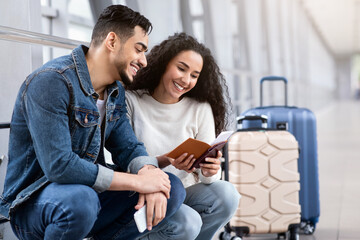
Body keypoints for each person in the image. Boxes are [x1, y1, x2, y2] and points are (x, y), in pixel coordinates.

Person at [0, 5, 186, 240]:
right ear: (112, 41)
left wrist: (151, 176)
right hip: (35, 204)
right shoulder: (51, 81)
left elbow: (128, 147)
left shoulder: (114, 91)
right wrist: (139, 182)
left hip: (85, 196)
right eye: (139, 50)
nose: (144, 61)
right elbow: (60, 166)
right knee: (81, 201)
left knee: (171, 187)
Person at [126, 32, 240, 240]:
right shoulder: (132, 101)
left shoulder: (200, 108)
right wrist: (165, 161)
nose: (186, 80)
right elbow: (124, 158)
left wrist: (210, 170)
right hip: (142, 195)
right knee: (188, 221)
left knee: (227, 194)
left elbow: (208, 180)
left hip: (182, 194)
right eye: (181, 68)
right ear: (164, 64)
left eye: (194, 75)